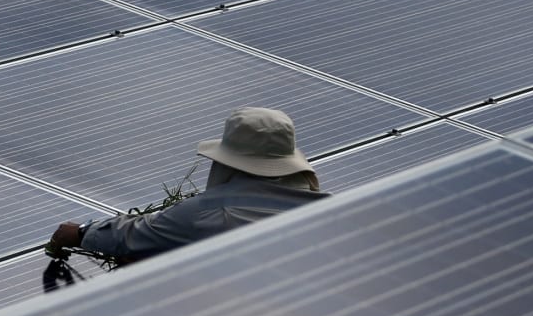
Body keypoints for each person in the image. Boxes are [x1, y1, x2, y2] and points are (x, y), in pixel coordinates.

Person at [47, 107, 329, 264]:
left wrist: (82, 232)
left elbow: (132, 235)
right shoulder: (335, 212)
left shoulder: (208, 214)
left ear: (229, 161)